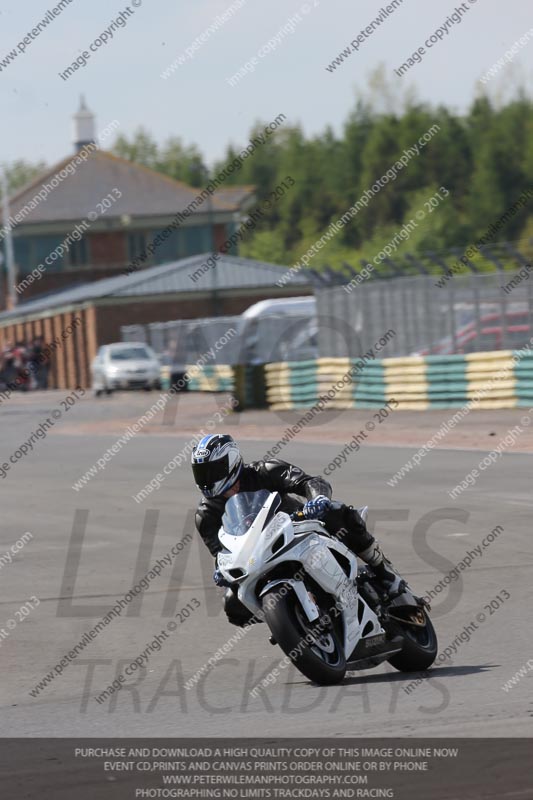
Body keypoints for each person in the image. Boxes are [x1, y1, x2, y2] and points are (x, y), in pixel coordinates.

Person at [191, 433, 407, 626]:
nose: (207, 479)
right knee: (232, 603)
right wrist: (221, 571)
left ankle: (383, 571)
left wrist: (317, 499)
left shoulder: (265, 471)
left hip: (300, 528)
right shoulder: (206, 515)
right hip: (258, 556)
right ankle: (290, 620)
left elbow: (309, 482)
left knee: (334, 511)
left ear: (231, 462)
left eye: (212, 471)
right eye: (202, 473)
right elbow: (220, 553)